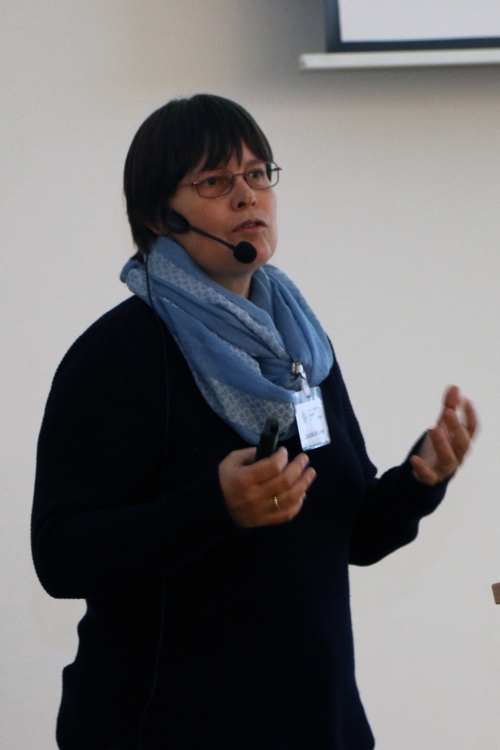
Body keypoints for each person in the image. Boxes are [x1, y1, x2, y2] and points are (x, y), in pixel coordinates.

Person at [31, 94, 477, 750]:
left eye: (257, 173)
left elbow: (350, 534)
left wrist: (419, 480)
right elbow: (61, 557)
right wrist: (215, 507)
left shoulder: (302, 352)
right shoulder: (119, 356)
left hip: (318, 726)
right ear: (159, 216)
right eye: (215, 181)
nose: (247, 195)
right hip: (166, 730)